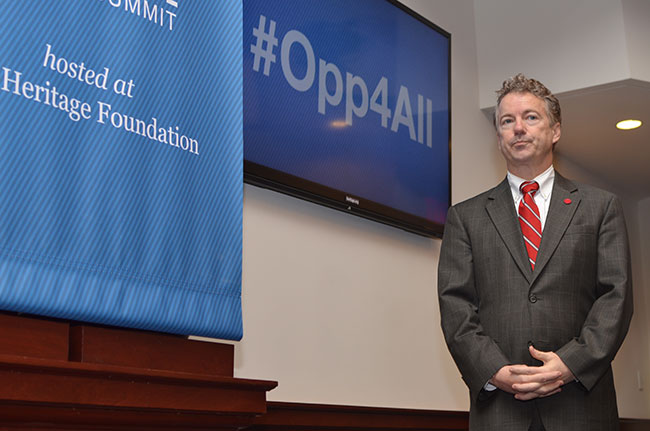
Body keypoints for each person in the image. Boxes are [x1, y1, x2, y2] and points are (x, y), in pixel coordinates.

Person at [437, 74, 633, 431]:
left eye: (530, 117)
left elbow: (615, 298)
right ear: (498, 137)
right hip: (500, 409)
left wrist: (570, 363)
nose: (518, 129)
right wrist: (494, 371)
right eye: (507, 121)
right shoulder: (465, 217)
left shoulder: (600, 207)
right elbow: (456, 307)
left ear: (555, 131)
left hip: (581, 407)